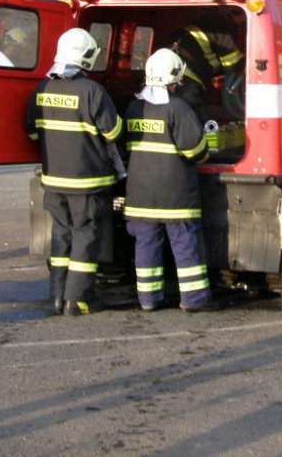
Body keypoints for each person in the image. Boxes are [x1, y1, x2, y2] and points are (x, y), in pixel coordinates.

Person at [25, 28, 123, 317]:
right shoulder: (91, 91)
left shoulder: (41, 90)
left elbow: (31, 133)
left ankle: (57, 296)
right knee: (85, 237)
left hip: (53, 182)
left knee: (61, 236)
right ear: (86, 58)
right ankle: (78, 300)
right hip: (88, 182)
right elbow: (112, 132)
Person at [122, 48, 219, 312]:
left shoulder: (134, 107)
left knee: (146, 248)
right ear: (176, 78)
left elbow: (126, 147)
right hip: (175, 198)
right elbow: (195, 152)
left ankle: (148, 300)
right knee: (185, 247)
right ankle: (194, 300)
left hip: (140, 196)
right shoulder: (178, 108)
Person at [166, 18, 244, 123]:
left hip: (163, 79)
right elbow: (235, 63)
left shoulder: (197, 28)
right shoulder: (221, 24)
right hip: (185, 81)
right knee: (198, 122)